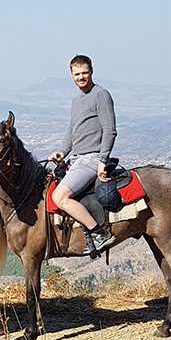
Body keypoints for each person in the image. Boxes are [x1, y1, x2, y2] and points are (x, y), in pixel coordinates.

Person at [48, 54, 118, 256]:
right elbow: (72, 131)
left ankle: (99, 233)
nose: (81, 77)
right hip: (77, 158)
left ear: (92, 72)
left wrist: (103, 160)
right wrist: (62, 151)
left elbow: (109, 129)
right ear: (71, 76)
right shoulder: (76, 101)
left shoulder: (101, 95)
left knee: (59, 196)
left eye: (84, 73)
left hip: (92, 158)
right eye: (77, 74)